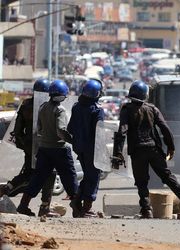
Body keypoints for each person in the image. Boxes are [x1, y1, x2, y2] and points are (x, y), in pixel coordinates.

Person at [112, 80, 180, 219]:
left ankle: (146, 209)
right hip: (154, 149)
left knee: (141, 182)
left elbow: (122, 131)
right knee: (167, 176)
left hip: (137, 151)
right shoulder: (152, 109)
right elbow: (165, 128)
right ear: (145, 95)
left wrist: (117, 152)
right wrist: (171, 147)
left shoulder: (126, 110)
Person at [16, 79, 79, 217]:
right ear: (63, 95)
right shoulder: (60, 110)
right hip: (59, 149)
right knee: (69, 177)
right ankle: (78, 208)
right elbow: (61, 131)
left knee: (38, 178)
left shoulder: (43, 107)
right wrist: (73, 141)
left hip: (44, 149)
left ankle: (23, 205)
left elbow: (39, 128)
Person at [0, 78, 59, 217]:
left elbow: (17, 131)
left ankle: (17, 199)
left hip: (31, 147)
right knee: (49, 175)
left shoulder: (26, 104)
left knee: (30, 174)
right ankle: (44, 207)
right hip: (46, 147)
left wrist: (25, 146)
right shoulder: (47, 106)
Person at [67, 79, 104, 218]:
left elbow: (70, 128)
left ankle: (76, 201)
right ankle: (87, 208)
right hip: (93, 150)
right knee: (93, 178)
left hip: (79, 148)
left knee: (88, 176)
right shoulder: (97, 110)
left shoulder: (76, 107)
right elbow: (99, 133)